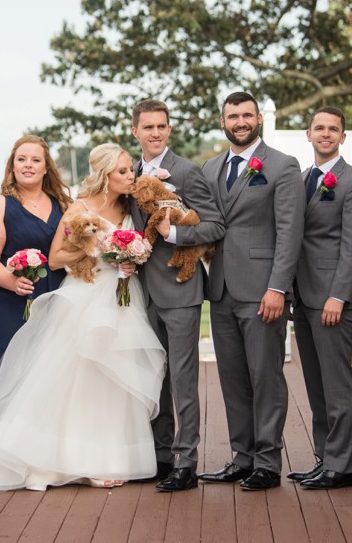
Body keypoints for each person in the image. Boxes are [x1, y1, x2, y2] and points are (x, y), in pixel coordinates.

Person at [0, 143, 165, 492]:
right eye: (124, 171)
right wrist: (99, 248)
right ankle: (68, 459)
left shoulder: (131, 207)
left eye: (131, 171)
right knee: (78, 379)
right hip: (85, 296)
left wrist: (128, 259)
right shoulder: (78, 208)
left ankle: (107, 457)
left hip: (123, 298)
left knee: (113, 381)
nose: (131, 176)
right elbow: (55, 258)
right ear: (106, 175)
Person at [199, 91, 302, 491]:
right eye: (232, 116)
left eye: (246, 115)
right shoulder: (209, 168)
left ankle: (267, 461)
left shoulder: (282, 166)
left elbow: (290, 233)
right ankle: (242, 457)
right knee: (233, 380)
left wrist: (278, 287)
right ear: (222, 121)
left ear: (258, 118)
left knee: (266, 378)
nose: (240, 122)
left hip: (263, 291)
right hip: (221, 289)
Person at [129, 99, 225, 493]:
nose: (155, 133)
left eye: (162, 126)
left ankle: (187, 461)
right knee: (155, 380)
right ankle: (161, 454)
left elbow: (215, 224)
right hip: (141, 294)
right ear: (135, 130)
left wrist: (174, 235)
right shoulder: (129, 173)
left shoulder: (187, 171)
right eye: (148, 126)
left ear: (169, 130)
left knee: (184, 379)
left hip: (181, 291)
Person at [289, 107, 352, 490]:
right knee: (316, 383)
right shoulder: (302, 179)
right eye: (319, 128)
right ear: (308, 135)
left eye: (332, 129)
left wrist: (338, 295)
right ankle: (325, 458)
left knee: (337, 383)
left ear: (343, 135)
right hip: (303, 298)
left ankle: (342, 465)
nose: (325, 134)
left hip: (333, 299)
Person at [0, 135, 71, 374]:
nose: (28, 164)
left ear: (46, 167)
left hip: (53, 301)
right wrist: (12, 281)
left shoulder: (63, 206)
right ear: (13, 166)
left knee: (46, 375)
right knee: (10, 375)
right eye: (22, 159)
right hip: (7, 302)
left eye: (36, 160)